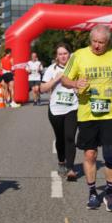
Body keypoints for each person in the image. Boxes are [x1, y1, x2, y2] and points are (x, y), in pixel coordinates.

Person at [60, 25, 112, 211]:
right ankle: (92, 192)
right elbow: (64, 79)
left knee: (110, 154)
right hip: (87, 112)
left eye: (102, 43)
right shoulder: (79, 55)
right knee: (90, 153)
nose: (97, 46)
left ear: (108, 42)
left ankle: (110, 191)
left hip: (111, 112)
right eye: (94, 42)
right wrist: (75, 82)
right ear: (90, 40)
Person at [40, 43, 80, 180]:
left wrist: (78, 88)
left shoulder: (77, 68)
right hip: (56, 109)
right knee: (60, 138)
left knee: (70, 137)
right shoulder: (51, 69)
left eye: (65, 53)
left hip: (72, 108)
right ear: (57, 56)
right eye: (60, 54)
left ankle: (70, 168)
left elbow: (83, 84)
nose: (63, 56)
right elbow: (43, 88)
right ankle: (61, 161)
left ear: (70, 54)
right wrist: (56, 79)